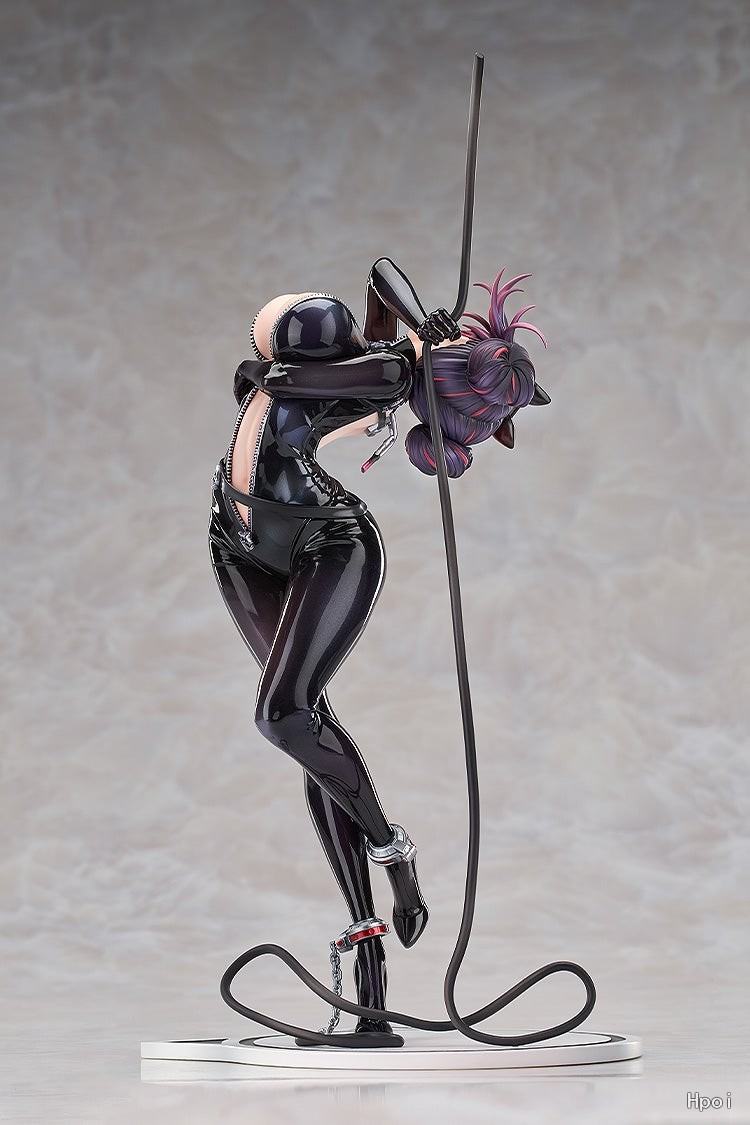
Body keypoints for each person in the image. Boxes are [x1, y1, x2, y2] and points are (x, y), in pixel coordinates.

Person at [208, 258, 546, 1046]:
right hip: (236, 540)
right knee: (309, 735)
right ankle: (369, 970)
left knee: (283, 716)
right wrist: (423, 323)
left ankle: (393, 851)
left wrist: (399, 357)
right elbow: (379, 273)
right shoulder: (373, 357)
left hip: (330, 544)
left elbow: (290, 379)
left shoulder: (385, 372)